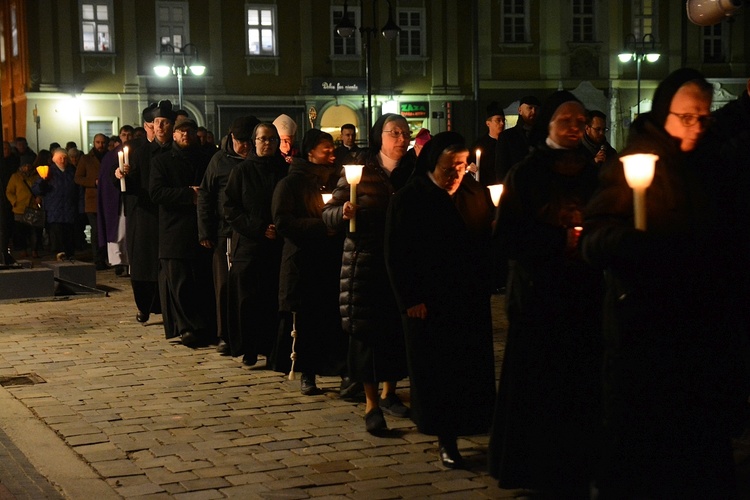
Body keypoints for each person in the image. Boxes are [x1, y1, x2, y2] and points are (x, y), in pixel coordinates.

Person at [581, 68, 748, 499]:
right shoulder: (638, 161)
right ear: (664, 113)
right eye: (686, 116)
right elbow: (595, 236)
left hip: (700, 332)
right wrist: (633, 241)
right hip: (645, 329)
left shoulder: (716, 162)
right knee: (643, 446)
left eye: (704, 117)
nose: (696, 126)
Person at [487, 91, 603, 497]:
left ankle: (580, 462)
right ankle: (532, 466)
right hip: (538, 295)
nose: (575, 127)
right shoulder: (527, 172)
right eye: (565, 120)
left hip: (584, 295)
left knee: (580, 383)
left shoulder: (595, 172)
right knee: (537, 385)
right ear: (550, 124)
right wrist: (560, 241)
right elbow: (507, 237)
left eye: (580, 120)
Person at [385, 131, 496, 468]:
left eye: (462, 167)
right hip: (429, 304)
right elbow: (396, 252)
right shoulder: (410, 198)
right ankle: (445, 439)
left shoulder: (475, 193)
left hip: (468, 300)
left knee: (470, 372)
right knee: (439, 375)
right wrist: (410, 298)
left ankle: (478, 430)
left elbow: (485, 244)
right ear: (433, 164)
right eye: (450, 168)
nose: (456, 175)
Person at [322, 113, 413, 435]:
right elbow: (328, 211)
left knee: (396, 331)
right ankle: (372, 404)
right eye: (394, 133)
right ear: (380, 137)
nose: (402, 139)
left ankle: (390, 393)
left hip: (401, 262)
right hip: (366, 260)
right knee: (367, 334)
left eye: (406, 132)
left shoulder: (412, 171)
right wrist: (342, 212)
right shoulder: (360, 169)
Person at [269, 129, 348, 395]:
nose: (332, 153)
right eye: (326, 149)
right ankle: (308, 372)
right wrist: (320, 227)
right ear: (311, 151)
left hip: (331, 258)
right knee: (307, 320)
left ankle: (341, 371)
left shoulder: (339, 179)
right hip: (303, 260)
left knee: (331, 317)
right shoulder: (290, 183)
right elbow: (283, 221)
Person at [223, 122, 289, 366]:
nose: (268, 143)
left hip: (278, 245)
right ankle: (249, 348)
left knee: (273, 299)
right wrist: (259, 228)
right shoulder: (241, 172)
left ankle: (273, 348)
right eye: (263, 139)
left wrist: (279, 228)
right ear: (254, 142)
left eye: (272, 139)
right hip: (250, 245)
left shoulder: (284, 170)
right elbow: (230, 207)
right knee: (248, 300)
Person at [150, 119, 215, 347]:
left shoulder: (206, 159)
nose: (184, 135)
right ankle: (185, 327)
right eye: (180, 131)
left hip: (200, 228)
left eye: (188, 131)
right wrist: (188, 195)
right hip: (174, 230)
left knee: (201, 280)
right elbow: (156, 193)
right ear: (174, 135)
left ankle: (204, 326)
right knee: (180, 282)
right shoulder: (162, 161)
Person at [198, 115, 260, 355]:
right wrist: (205, 230)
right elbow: (205, 195)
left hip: (253, 232)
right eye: (240, 141)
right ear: (231, 138)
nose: (244, 146)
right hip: (225, 233)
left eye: (249, 141)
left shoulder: (258, 160)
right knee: (224, 286)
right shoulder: (219, 161)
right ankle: (225, 333)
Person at [116, 100, 173, 323]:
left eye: (164, 122)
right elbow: (129, 188)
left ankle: (167, 305)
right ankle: (144, 306)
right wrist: (122, 176)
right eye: (156, 122)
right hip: (145, 214)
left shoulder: (175, 152)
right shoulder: (140, 153)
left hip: (169, 214)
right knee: (143, 263)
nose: (159, 127)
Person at [33, 148, 79, 260]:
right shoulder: (48, 171)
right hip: (54, 210)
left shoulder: (72, 171)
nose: (62, 160)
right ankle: (59, 255)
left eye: (64, 158)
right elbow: (36, 189)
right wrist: (42, 184)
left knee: (69, 235)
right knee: (57, 235)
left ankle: (69, 255)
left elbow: (78, 189)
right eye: (60, 158)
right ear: (54, 159)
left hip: (69, 209)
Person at [74, 133, 108, 270]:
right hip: (93, 200)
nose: (100, 145)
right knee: (96, 231)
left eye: (103, 142)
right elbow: (78, 178)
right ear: (94, 143)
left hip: (107, 199)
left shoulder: (109, 156)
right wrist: (93, 182)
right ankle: (97, 259)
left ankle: (105, 257)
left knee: (105, 230)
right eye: (98, 142)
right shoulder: (86, 159)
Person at [495, 95, 540, 181]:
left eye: (536, 108)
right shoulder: (507, 137)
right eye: (530, 108)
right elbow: (501, 168)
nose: (533, 111)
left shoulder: (543, 135)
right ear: (520, 110)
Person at [5, 163, 41, 259]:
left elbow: (41, 190)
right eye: (25, 165)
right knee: (21, 231)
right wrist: (14, 201)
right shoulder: (15, 177)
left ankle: (34, 250)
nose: (27, 167)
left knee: (34, 231)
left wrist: (39, 198)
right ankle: (23, 250)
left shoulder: (37, 177)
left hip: (33, 208)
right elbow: (9, 191)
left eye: (29, 165)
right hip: (20, 208)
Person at [469, 102, 505, 186]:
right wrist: (471, 167)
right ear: (488, 123)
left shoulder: (508, 142)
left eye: (503, 120)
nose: (502, 123)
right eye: (498, 120)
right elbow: (470, 164)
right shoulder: (479, 144)